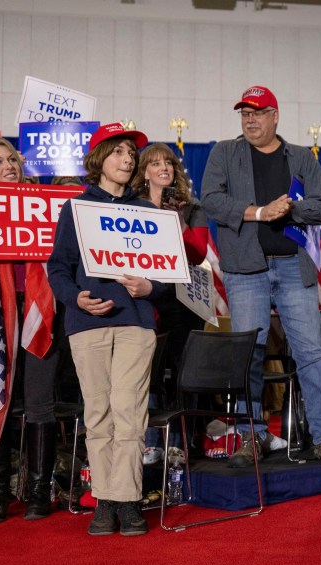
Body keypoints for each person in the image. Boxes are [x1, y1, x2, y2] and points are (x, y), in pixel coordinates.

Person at [201, 85, 321, 466]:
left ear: (275, 116)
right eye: (244, 114)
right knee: (249, 354)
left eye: (258, 112)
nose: (250, 120)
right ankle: (252, 436)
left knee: (312, 354)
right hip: (245, 271)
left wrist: (289, 211)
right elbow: (212, 201)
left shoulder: (300, 157)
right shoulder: (224, 152)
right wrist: (259, 212)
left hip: (292, 268)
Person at [47, 122, 166, 537]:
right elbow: (59, 269)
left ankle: (127, 501)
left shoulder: (149, 212)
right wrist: (75, 298)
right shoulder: (75, 209)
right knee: (98, 414)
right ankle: (105, 500)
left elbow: (167, 277)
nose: (128, 159)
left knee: (128, 411)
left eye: (131, 154)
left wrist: (150, 286)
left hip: (135, 322)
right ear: (99, 160)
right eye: (118, 152)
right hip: (87, 323)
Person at [0, 137, 63, 523]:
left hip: (42, 311)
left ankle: (39, 492)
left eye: (11, 159)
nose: (8, 166)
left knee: (40, 400)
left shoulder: (43, 203)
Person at [130, 142, 207, 465]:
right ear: (144, 171)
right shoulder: (131, 205)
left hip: (183, 301)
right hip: (145, 297)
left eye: (169, 163)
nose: (164, 168)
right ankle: (149, 443)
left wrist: (177, 217)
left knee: (182, 373)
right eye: (156, 163)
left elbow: (197, 253)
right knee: (146, 372)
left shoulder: (191, 206)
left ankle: (182, 443)